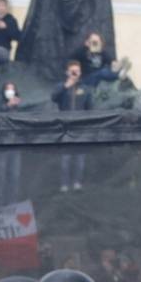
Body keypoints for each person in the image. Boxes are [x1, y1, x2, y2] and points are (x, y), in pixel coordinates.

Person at [54, 62, 91, 192]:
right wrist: (66, 86)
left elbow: (90, 108)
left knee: (80, 159)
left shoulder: (85, 89)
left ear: (80, 73)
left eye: (77, 71)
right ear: (67, 72)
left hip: (80, 130)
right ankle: (64, 184)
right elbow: (53, 97)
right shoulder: (62, 86)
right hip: (65, 129)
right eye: (72, 71)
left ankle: (77, 183)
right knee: (65, 159)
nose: (75, 74)